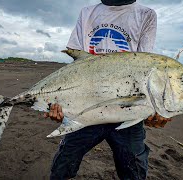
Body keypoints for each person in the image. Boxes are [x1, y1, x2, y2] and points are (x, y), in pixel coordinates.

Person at [44, 0, 171, 179]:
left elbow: (143, 67)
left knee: (134, 173)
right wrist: (64, 102)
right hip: (88, 109)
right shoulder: (87, 13)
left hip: (128, 113)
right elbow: (78, 66)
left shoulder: (146, 15)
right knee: (62, 168)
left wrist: (156, 107)